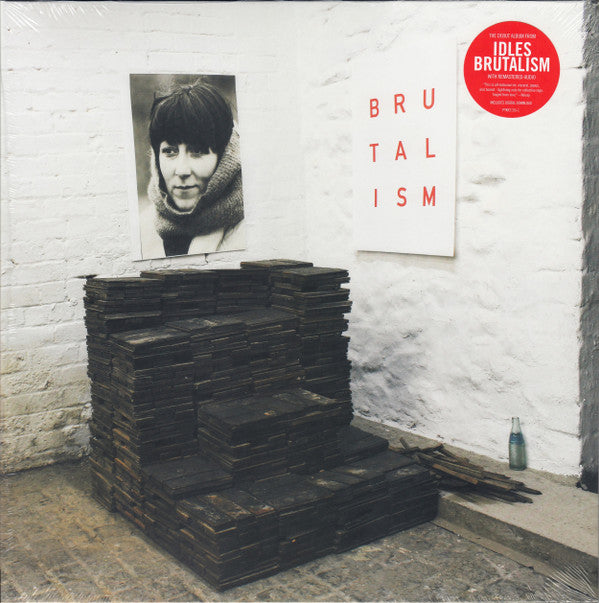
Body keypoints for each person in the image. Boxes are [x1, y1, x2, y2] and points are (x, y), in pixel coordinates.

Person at [145, 80, 244, 257]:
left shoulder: (250, 230)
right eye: (170, 151)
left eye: (198, 151)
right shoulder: (142, 229)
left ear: (224, 158)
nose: (182, 171)